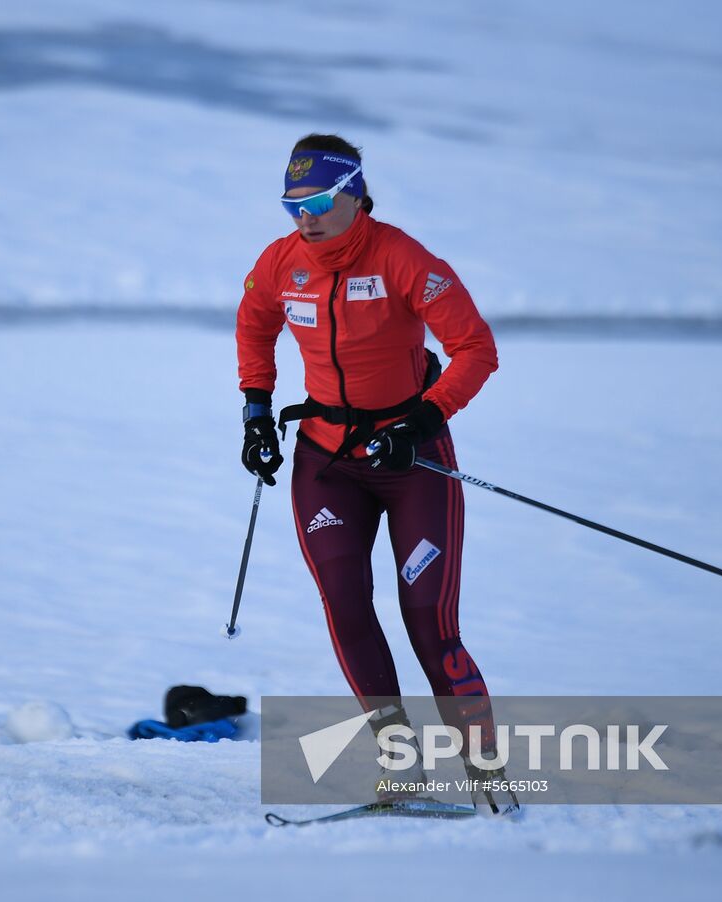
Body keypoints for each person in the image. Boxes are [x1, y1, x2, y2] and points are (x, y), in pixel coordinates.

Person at [236, 134, 513, 812]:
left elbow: (476, 349)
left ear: (356, 193)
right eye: (292, 203)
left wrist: (420, 421)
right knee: (346, 604)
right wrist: (256, 409)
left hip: (411, 461)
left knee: (428, 621)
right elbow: (254, 322)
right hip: (326, 463)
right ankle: (402, 765)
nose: (307, 216)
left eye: (322, 200)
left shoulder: (402, 258)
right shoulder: (280, 263)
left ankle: (490, 780)